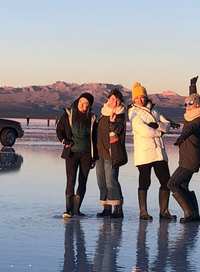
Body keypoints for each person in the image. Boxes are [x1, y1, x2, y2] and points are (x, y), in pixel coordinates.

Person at [128, 81, 178, 221]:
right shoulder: (133, 113)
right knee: (145, 182)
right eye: (137, 98)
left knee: (166, 181)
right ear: (134, 99)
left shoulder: (154, 110)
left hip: (159, 152)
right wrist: (159, 132)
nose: (140, 100)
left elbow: (167, 125)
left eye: (142, 97)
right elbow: (144, 131)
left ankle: (164, 211)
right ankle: (143, 212)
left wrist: (157, 125)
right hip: (144, 153)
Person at [168, 76, 200, 223]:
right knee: (183, 185)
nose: (187, 106)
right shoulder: (193, 115)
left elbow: (192, 128)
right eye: (185, 104)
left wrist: (182, 137)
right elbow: (194, 98)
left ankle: (190, 213)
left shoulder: (199, 120)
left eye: (190, 104)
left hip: (191, 159)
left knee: (172, 184)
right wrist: (192, 87)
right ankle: (194, 214)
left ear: (197, 105)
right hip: (186, 158)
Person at [56, 93, 97, 218]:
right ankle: (68, 209)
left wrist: (93, 157)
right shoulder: (69, 114)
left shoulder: (92, 118)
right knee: (70, 181)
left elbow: (94, 138)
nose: (83, 106)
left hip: (86, 154)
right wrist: (63, 140)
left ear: (89, 106)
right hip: (71, 153)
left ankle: (76, 209)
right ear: (77, 101)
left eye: (86, 104)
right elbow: (60, 130)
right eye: (81, 103)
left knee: (83, 182)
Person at [95, 88, 127, 218]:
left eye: (117, 99)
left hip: (112, 152)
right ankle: (106, 207)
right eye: (113, 98)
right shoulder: (103, 113)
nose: (115, 102)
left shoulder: (120, 115)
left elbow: (118, 130)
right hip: (99, 152)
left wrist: (113, 121)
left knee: (111, 181)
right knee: (101, 181)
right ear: (108, 99)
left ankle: (118, 209)